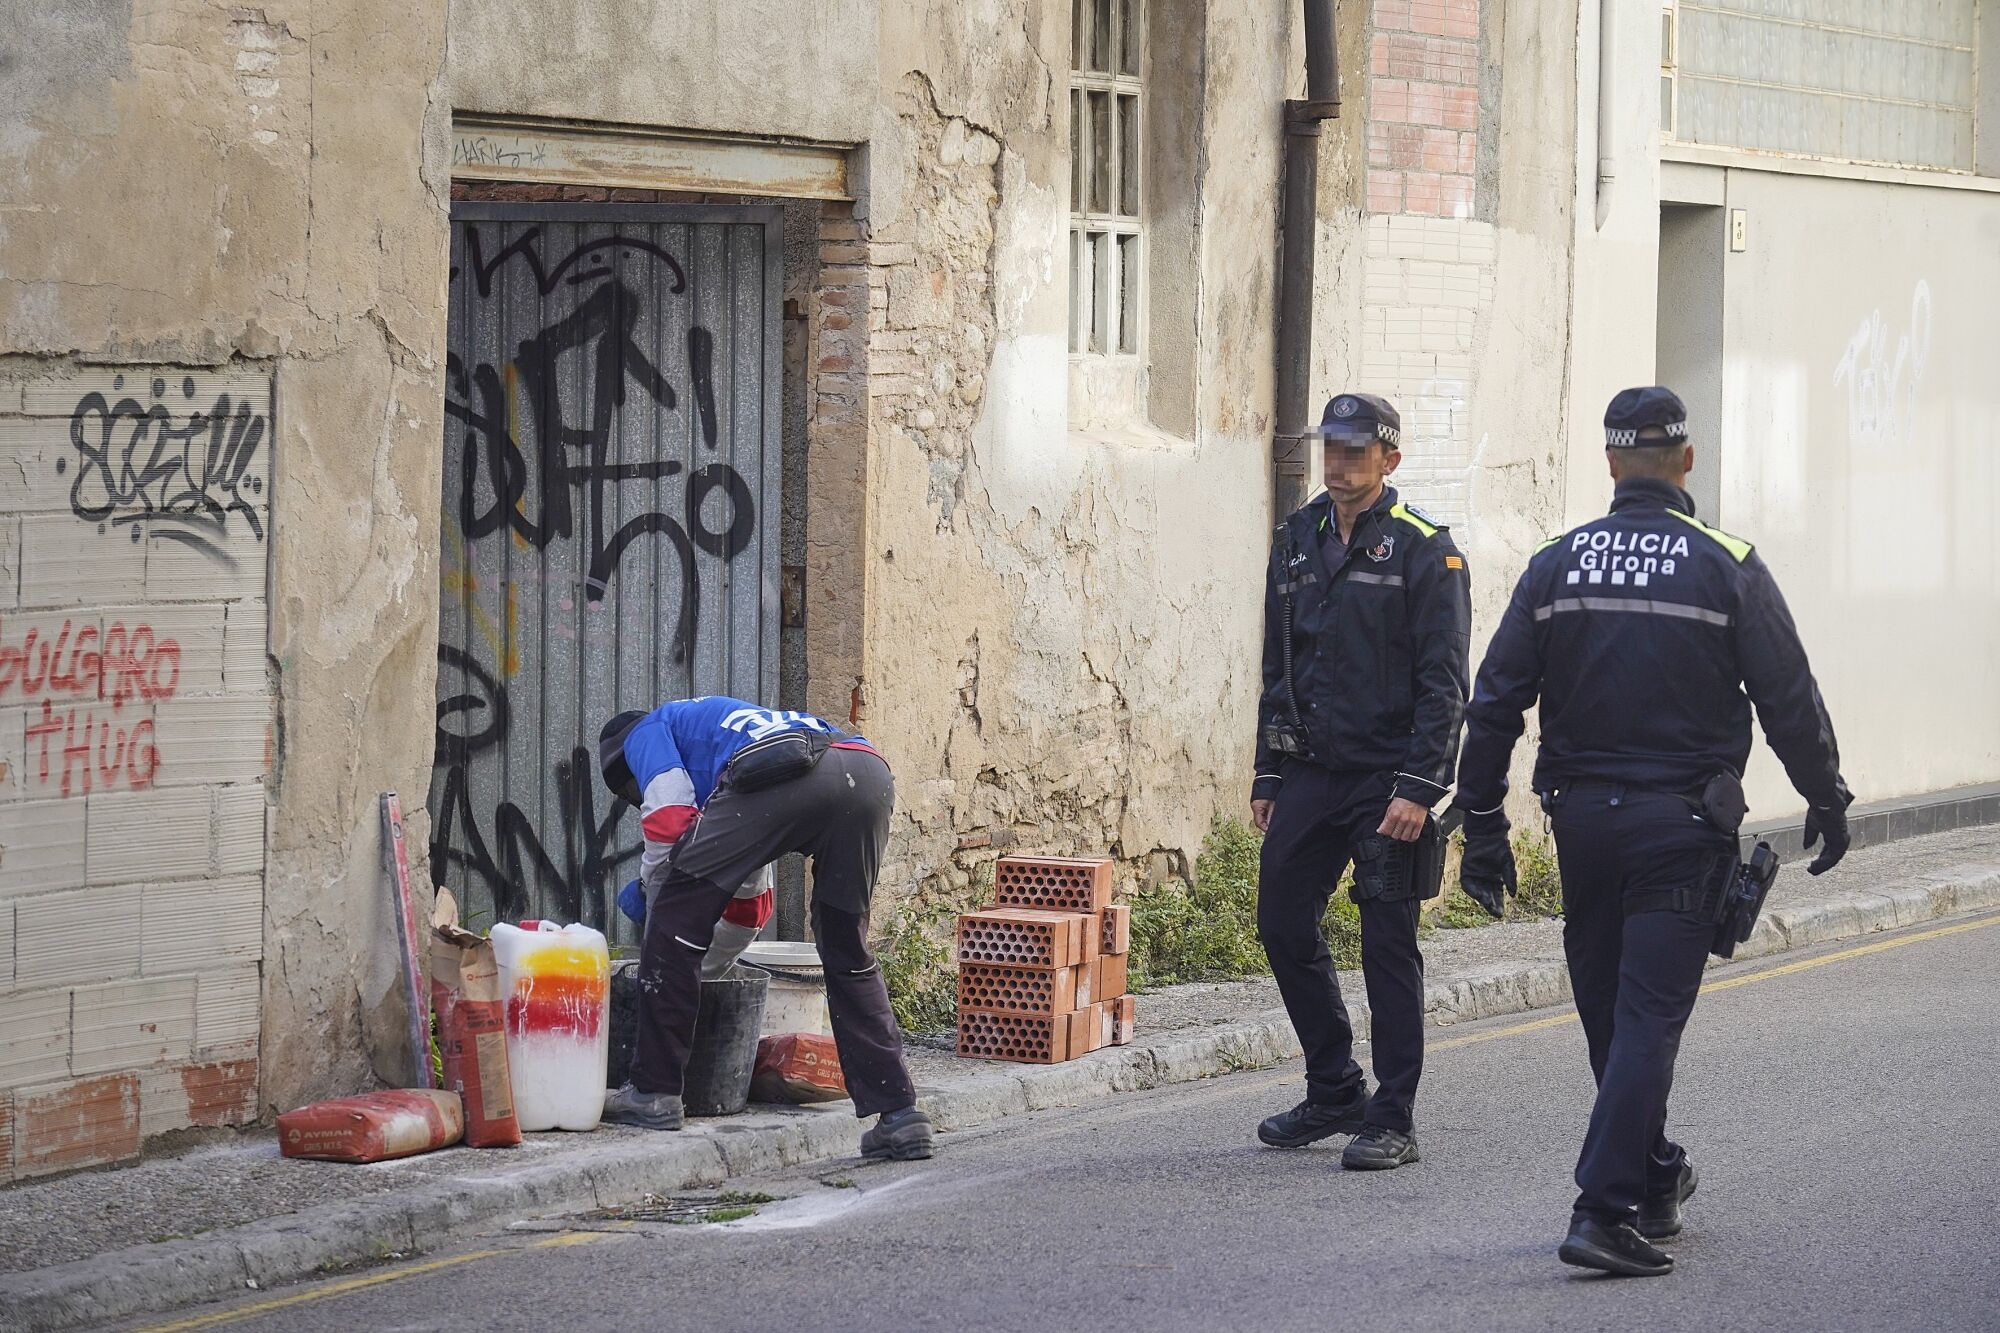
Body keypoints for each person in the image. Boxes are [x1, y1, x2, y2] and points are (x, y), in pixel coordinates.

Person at [1452, 386, 1851, 1277]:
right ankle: (1602, 1209)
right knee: (1643, 1022)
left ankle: (1656, 1173)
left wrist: (1480, 820)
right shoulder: (1727, 564)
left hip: (1583, 826)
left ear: (1609, 462)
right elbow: (1788, 697)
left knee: (1612, 1017)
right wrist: (1825, 796)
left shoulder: (1557, 564)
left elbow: (1495, 700)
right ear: (1686, 460)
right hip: (1681, 827)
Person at [1250, 392, 1471, 1169]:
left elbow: (1445, 681)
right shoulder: (1296, 539)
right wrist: (1268, 768)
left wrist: (1420, 787)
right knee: (1281, 921)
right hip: (1311, 771)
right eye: (1331, 448)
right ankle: (1335, 1087)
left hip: (1387, 781)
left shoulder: (1425, 549)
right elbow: (1279, 662)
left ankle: (1393, 1116)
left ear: (1389, 459)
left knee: (1387, 944)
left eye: (1354, 450)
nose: (1338, 463)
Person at [596, 696, 934, 1161]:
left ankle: (653, 1093)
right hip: (867, 771)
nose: (637, 800)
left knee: (672, 919)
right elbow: (749, 908)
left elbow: (669, 819)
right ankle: (900, 1116)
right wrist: (699, 971)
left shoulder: (643, 732)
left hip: (792, 772)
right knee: (847, 950)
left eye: (631, 794)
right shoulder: (724, 740)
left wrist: (663, 926)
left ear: (622, 770)